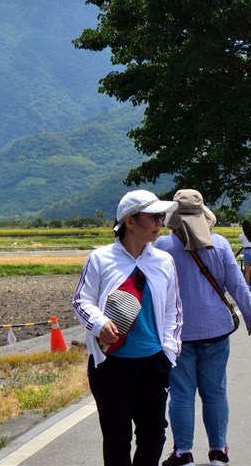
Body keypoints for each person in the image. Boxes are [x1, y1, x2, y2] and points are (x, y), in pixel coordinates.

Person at [73, 189, 181, 466]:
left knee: (154, 436)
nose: (160, 222)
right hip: (111, 365)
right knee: (117, 439)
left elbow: (173, 310)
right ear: (130, 221)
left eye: (161, 217)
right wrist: (99, 325)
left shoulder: (163, 261)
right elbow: (81, 300)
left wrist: (168, 352)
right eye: (153, 216)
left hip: (153, 362)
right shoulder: (100, 259)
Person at [157, 190, 251, 466]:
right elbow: (237, 284)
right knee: (215, 391)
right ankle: (218, 452)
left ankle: (183, 453)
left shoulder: (162, 247)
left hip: (178, 333)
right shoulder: (219, 244)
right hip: (216, 330)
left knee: (181, 393)